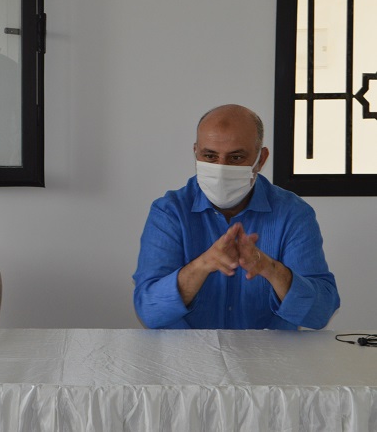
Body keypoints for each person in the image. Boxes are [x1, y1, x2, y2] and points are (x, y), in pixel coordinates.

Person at [133, 104, 340, 330]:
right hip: (188, 351)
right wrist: (203, 265)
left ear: (261, 159)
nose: (221, 168)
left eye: (236, 157)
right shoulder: (169, 212)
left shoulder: (293, 214)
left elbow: (320, 313)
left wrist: (270, 269)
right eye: (210, 156)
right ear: (196, 153)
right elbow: (149, 312)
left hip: (268, 351)